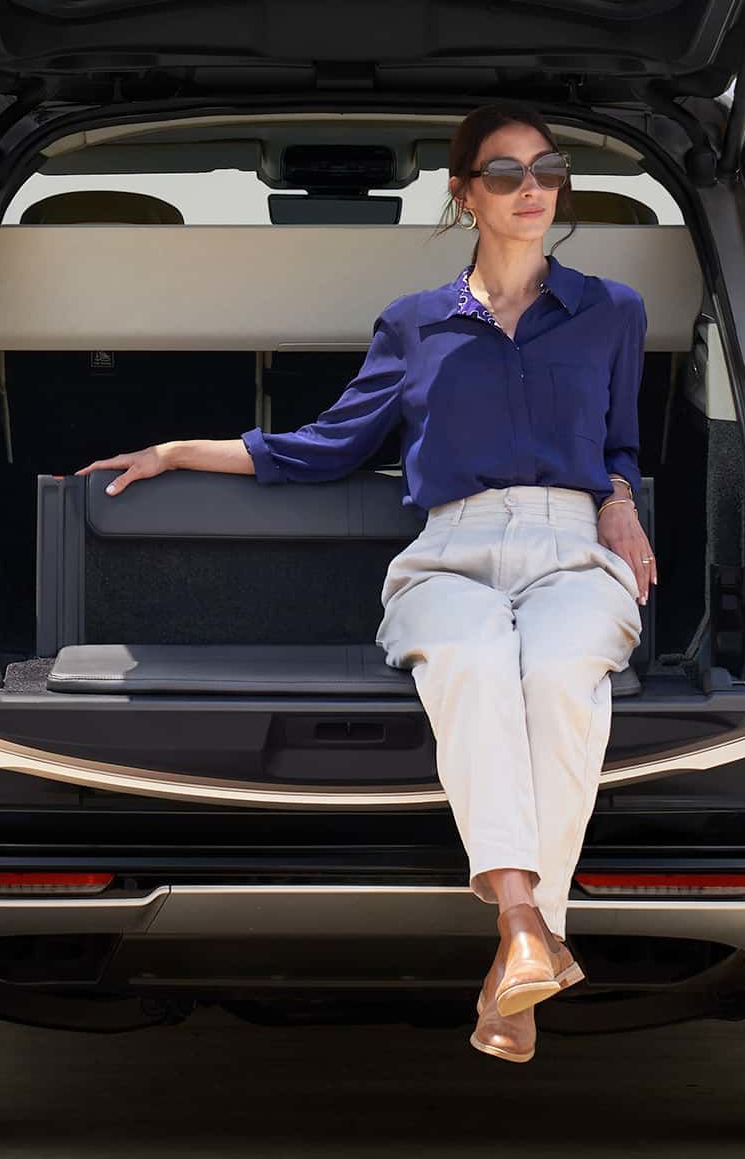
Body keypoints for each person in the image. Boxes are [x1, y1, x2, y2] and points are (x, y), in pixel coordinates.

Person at [75, 101, 655, 1064]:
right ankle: (525, 932)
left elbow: (622, 437)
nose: (532, 190)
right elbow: (326, 446)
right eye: (505, 174)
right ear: (464, 194)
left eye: (547, 170)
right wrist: (180, 448)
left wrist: (623, 498)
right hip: (449, 552)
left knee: (559, 680)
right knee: (471, 660)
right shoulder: (416, 323)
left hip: (571, 548)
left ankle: (519, 944)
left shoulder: (611, 311)